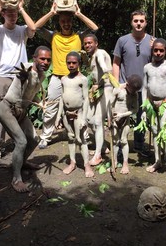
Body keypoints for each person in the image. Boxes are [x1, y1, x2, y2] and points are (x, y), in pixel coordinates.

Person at [35, 3, 98, 149]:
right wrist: (51, 12)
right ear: (59, 22)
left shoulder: (79, 36)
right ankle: (45, 136)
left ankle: (84, 136)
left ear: (72, 22)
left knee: (82, 107)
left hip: (76, 78)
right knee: (51, 108)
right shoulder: (54, 36)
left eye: (68, 21)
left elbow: (94, 28)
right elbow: (36, 27)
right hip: (57, 78)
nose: (66, 24)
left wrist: (78, 14)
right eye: (63, 21)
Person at [0, 0, 36, 162]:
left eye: (15, 13)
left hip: (19, 77)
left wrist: (21, 8)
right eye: (9, 13)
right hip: (0, 75)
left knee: (19, 111)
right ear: (4, 15)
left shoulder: (22, 30)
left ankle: (19, 143)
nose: (13, 16)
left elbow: (33, 28)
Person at [0, 46, 51, 192]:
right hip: (7, 109)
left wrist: (40, 101)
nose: (45, 62)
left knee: (34, 140)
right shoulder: (26, 69)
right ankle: (16, 179)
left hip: (21, 111)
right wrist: (22, 75)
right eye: (42, 58)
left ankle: (21, 162)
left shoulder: (42, 75)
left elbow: (32, 91)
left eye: (48, 60)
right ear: (34, 58)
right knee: (21, 141)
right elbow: (22, 74)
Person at [112, 10, 153, 154]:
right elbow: (116, 63)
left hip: (144, 88)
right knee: (122, 117)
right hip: (125, 86)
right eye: (136, 20)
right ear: (131, 22)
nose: (139, 23)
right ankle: (119, 146)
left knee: (142, 117)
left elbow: (156, 65)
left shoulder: (152, 41)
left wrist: (154, 49)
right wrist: (117, 84)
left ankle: (139, 145)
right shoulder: (122, 40)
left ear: (146, 23)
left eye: (142, 21)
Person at [141, 39, 166, 181]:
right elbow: (144, 88)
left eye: (161, 50)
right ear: (152, 50)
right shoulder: (147, 67)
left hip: (164, 105)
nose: (158, 53)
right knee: (155, 133)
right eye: (155, 50)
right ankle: (158, 161)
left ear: (165, 51)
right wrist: (144, 109)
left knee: (165, 134)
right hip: (151, 104)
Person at [55, 52, 94, 177]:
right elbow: (61, 98)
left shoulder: (82, 79)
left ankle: (86, 164)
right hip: (67, 114)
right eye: (69, 63)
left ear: (79, 63)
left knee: (81, 139)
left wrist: (84, 118)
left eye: (74, 63)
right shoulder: (64, 79)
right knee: (70, 138)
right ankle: (72, 162)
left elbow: (86, 99)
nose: (71, 65)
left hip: (78, 113)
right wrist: (58, 116)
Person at [83, 33, 115, 166]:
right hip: (98, 89)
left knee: (97, 121)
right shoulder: (92, 57)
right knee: (90, 118)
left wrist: (106, 71)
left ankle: (98, 155)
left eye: (90, 42)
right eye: (85, 43)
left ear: (96, 43)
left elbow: (103, 65)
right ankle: (101, 146)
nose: (87, 45)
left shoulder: (100, 53)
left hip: (107, 88)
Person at [109, 74, 143, 174]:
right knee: (115, 141)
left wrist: (123, 115)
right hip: (114, 119)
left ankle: (125, 163)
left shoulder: (135, 94)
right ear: (127, 84)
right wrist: (110, 118)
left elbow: (135, 109)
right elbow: (110, 105)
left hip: (125, 119)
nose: (132, 92)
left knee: (124, 141)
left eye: (135, 91)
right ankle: (114, 162)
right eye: (132, 89)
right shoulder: (118, 90)